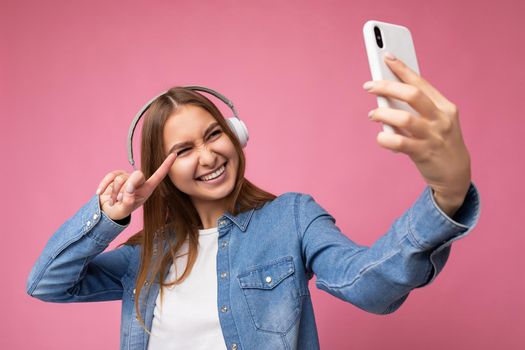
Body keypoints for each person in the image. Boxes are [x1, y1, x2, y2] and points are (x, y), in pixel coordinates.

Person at [26, 53, 480, 350]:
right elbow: (48, 284)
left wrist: (447, 194)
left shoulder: (292, 218)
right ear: (161, 172)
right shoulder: (144, 256)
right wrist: (109, 217)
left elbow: (369, 287)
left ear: (235, 135)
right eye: (182, 151)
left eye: (213, 134)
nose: (207, 156)